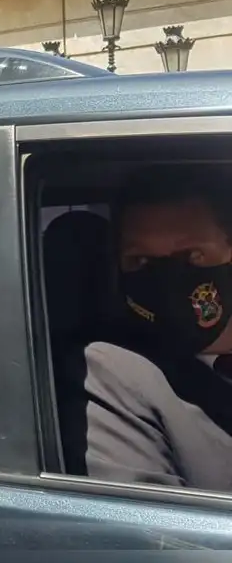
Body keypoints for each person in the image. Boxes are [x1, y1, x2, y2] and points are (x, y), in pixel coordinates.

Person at [58, 166, 232, 492]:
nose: (168, 281)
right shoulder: (113, 374)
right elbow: (149, 519)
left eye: (193, 254)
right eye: (141, 261)